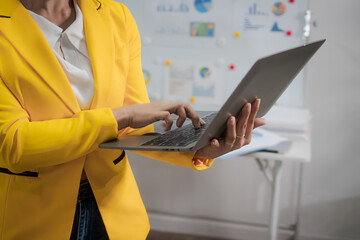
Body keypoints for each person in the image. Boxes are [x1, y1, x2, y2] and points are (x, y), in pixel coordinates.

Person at [0, 0, 266, 239]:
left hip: (112, 207)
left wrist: (199, 147)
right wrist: (120, 116)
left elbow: (135, 124)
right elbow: (14, 143)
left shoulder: (116, 16)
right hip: (32, 216)